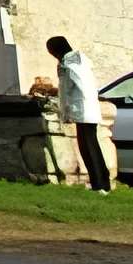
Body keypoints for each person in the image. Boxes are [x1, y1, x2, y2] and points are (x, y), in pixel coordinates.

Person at [46, 34, 112, 193]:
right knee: (90, 147)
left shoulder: (71, 63)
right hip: (85, 108)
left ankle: (100, 185)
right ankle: (101, 183)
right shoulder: (74, 60)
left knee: (89, 148)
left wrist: (67, 107)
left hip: (83, 108)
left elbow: (78, 85)